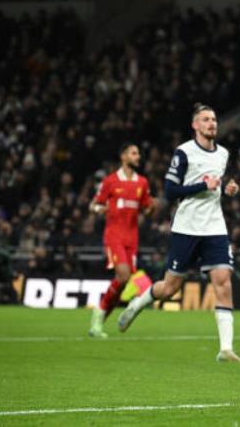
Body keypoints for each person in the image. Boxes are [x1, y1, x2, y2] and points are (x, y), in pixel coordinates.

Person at [117, 104, 240, 362]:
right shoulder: (183, 152)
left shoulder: (223, 154)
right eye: (206, 120)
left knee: (223, 280)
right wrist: (202, 185)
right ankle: (137, 304)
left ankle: (226, 349)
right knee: (170, 288)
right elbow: (170, 191)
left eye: (214, 119)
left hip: (215, 227)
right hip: (186, 227)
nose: (212, 124)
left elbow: (216, 187)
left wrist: (227, 190)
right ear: (195, 125)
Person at [88, 143, 153, 338]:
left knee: (123, 284)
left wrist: (153, 208)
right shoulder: (110, 181)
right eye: (134, 153)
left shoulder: (142, 182)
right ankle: (98, 313)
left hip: (132, 239)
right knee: (124, 276)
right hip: (114, 236)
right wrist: (101, 209)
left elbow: (146, 209)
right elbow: (94, 205)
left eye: (138, 153)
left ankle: (98, 322)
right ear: (124, 156)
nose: (138, 157)